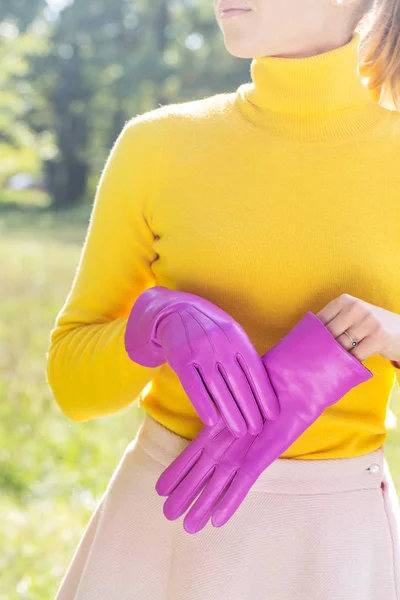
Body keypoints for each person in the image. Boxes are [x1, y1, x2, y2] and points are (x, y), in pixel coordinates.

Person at [46, 0, 400, 598]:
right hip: (162, 526)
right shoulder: (157, 147)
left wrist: (392, 337)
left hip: (333, 547)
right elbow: (72, 385)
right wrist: (150, 325)